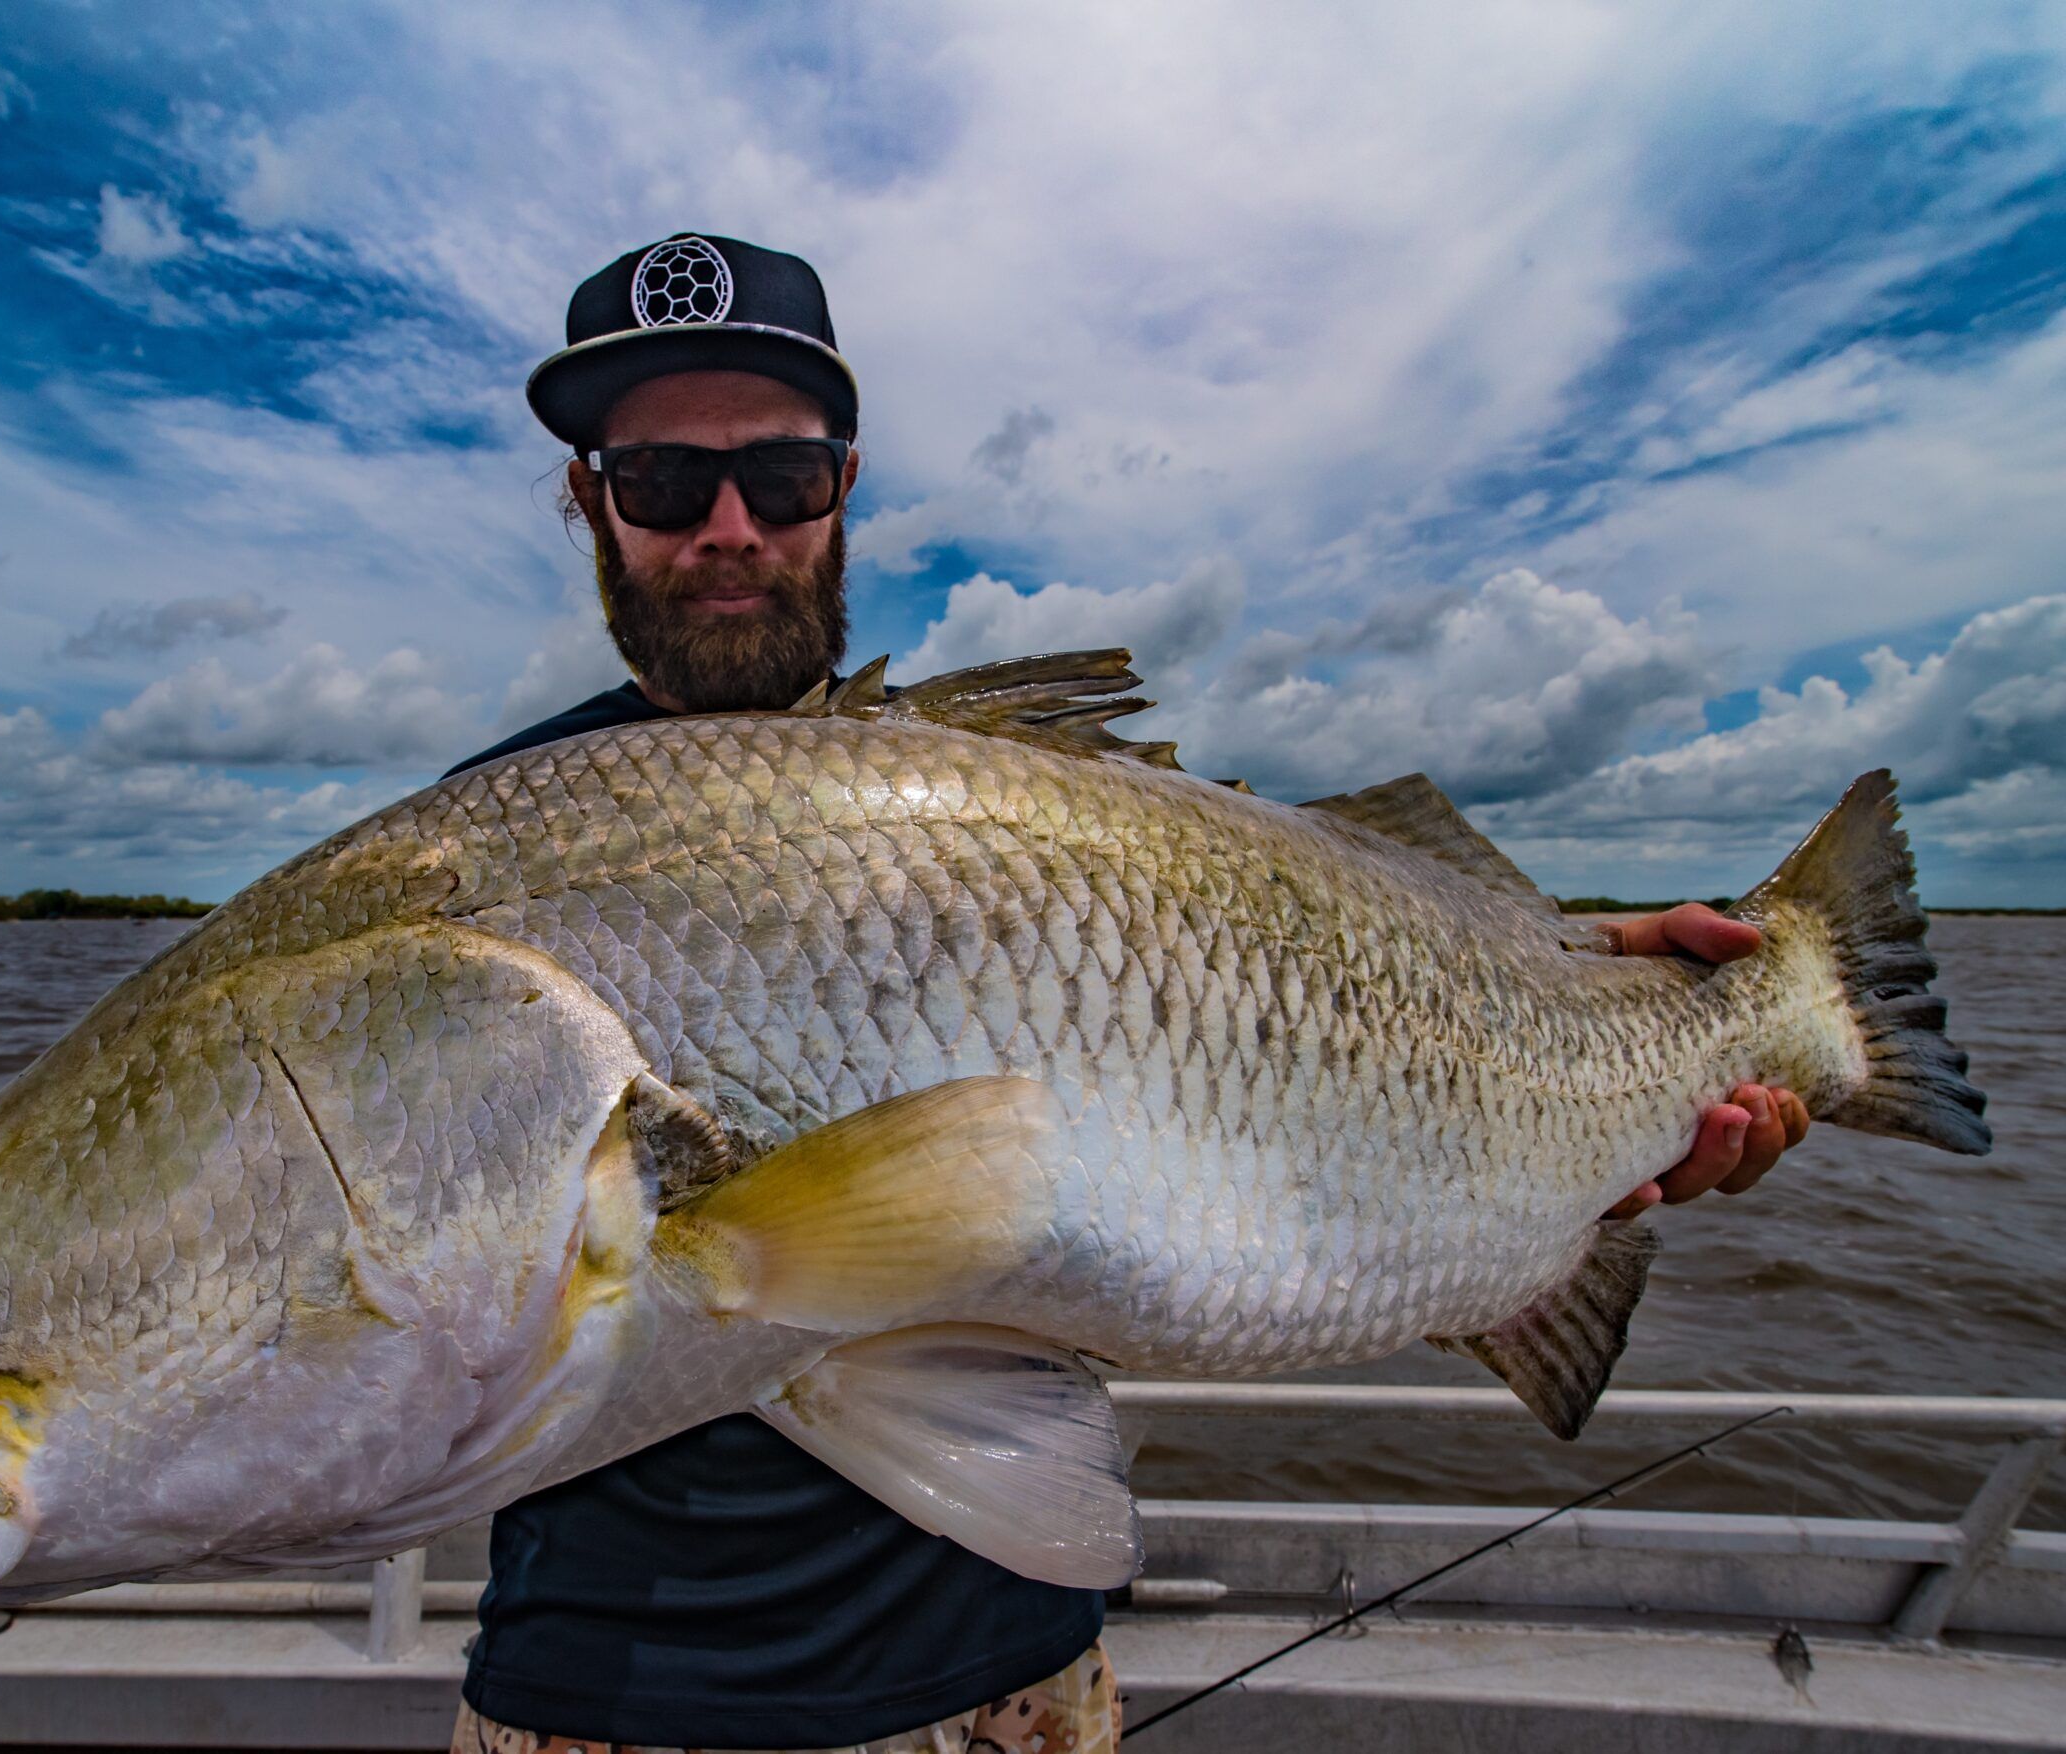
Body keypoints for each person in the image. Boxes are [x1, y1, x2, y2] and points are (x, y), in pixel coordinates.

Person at [444, 234, 1811, 1754]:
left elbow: (1288, 966)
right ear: (587, 498)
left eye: (779, 476)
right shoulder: (485, 840)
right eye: (657, 481)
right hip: (597, 1694)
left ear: (845, 485)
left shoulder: (1029, 800)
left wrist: (1579, 981)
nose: (725, 528)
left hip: (1009, 1681)